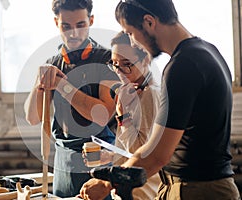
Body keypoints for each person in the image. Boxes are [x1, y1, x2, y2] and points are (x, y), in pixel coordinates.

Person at [80, 0, 241, 199]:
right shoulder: (207, 50)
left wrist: (107, 183)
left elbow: (156, 154)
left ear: (149, 22)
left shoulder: (183, 65)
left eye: (130, 33)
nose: (132, 42)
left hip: (198, 190)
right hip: (186, 185)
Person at [24, 0, 119, 198]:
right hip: (63, 161)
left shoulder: (107, 60)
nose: (73, 33)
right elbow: (33, 118)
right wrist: (39, 83)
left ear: (91, 20)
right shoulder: (51, 64)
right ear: (56, 23)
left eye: (80, 25)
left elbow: (101, 116)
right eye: (66, 26)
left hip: (97, 158)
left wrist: (61, 85)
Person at [80, 31, 161, 200]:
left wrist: (122, 115)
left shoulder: (149, 94)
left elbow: (142, 154)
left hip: (142, 193)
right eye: (114, 63)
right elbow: (132, 148)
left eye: (126, 64)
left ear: (146, 59)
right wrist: (110, 156)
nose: (119, 71)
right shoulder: (133, 91)